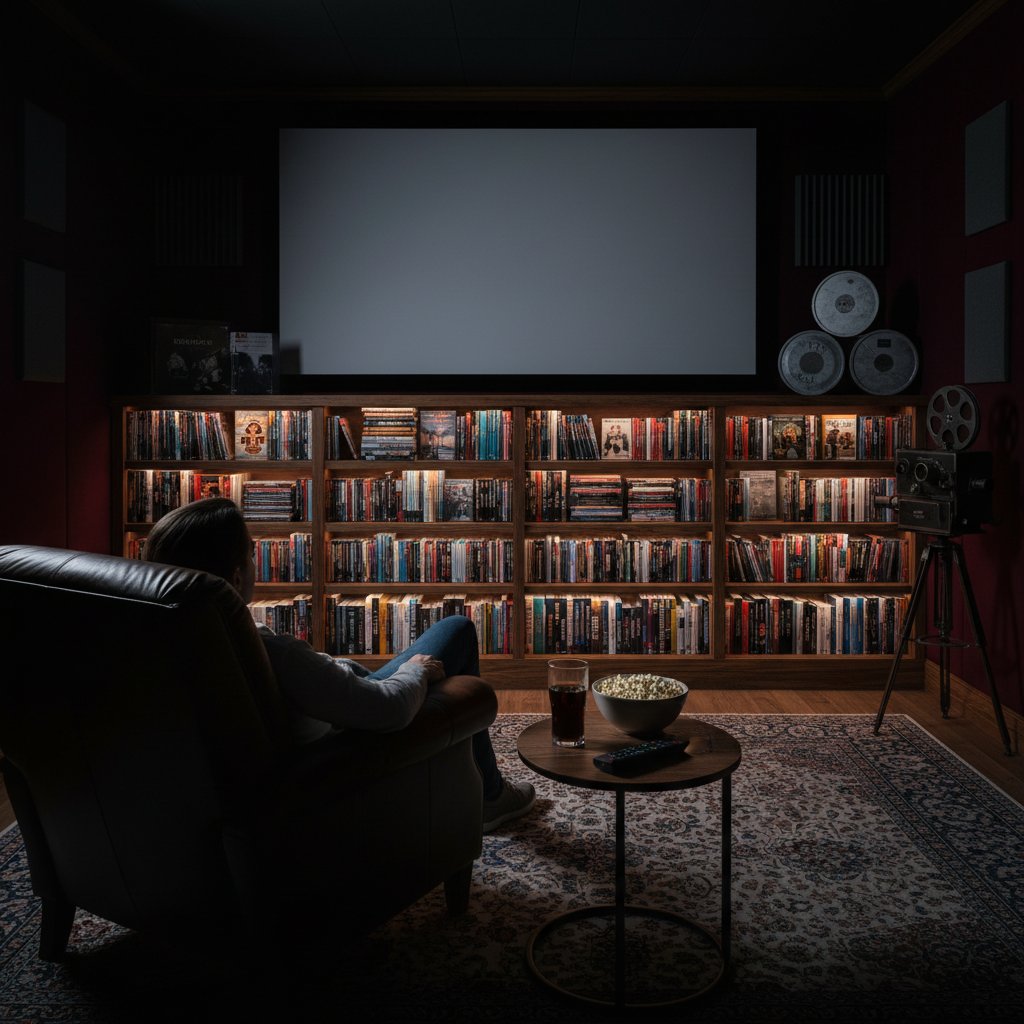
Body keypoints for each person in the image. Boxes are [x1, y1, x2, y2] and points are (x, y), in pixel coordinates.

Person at [143, 497, 535, 833]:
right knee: (459, 629)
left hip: (323, 709)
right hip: (349, 737)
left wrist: (336, 666)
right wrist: (415, 670)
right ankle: (490, 796)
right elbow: (388, 709)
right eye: (250, 550)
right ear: (235, 574)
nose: (253, 559)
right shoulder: (270, 653)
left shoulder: (157, 643)